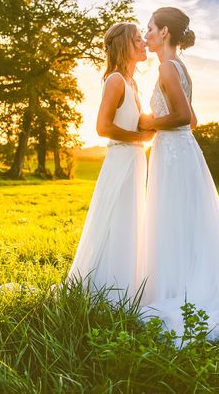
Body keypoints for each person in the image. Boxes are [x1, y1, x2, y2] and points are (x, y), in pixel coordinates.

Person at [138, 7, 219, 342]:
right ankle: (183, 278)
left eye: (150, 28)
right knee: (182, 218)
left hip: (174, 154)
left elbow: (182, 116)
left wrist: (147, 123)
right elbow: (194, 121)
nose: (146, 34)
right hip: (180, 151)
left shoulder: (166, 67)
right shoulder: (180, 68)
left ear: (164, 33)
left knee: (173, 217)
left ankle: (180, 288)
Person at [67, 22, 154, 303]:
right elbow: (102, 127)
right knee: (118, 220)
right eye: (138, 39)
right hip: (121, 159)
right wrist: (139, 136)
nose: (143, 44)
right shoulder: (115, 80)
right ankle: (111, 291)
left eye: (143, 38)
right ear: (122, 45)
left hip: (134, 158)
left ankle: (126, 284)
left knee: (130, 222)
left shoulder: (132, 82)